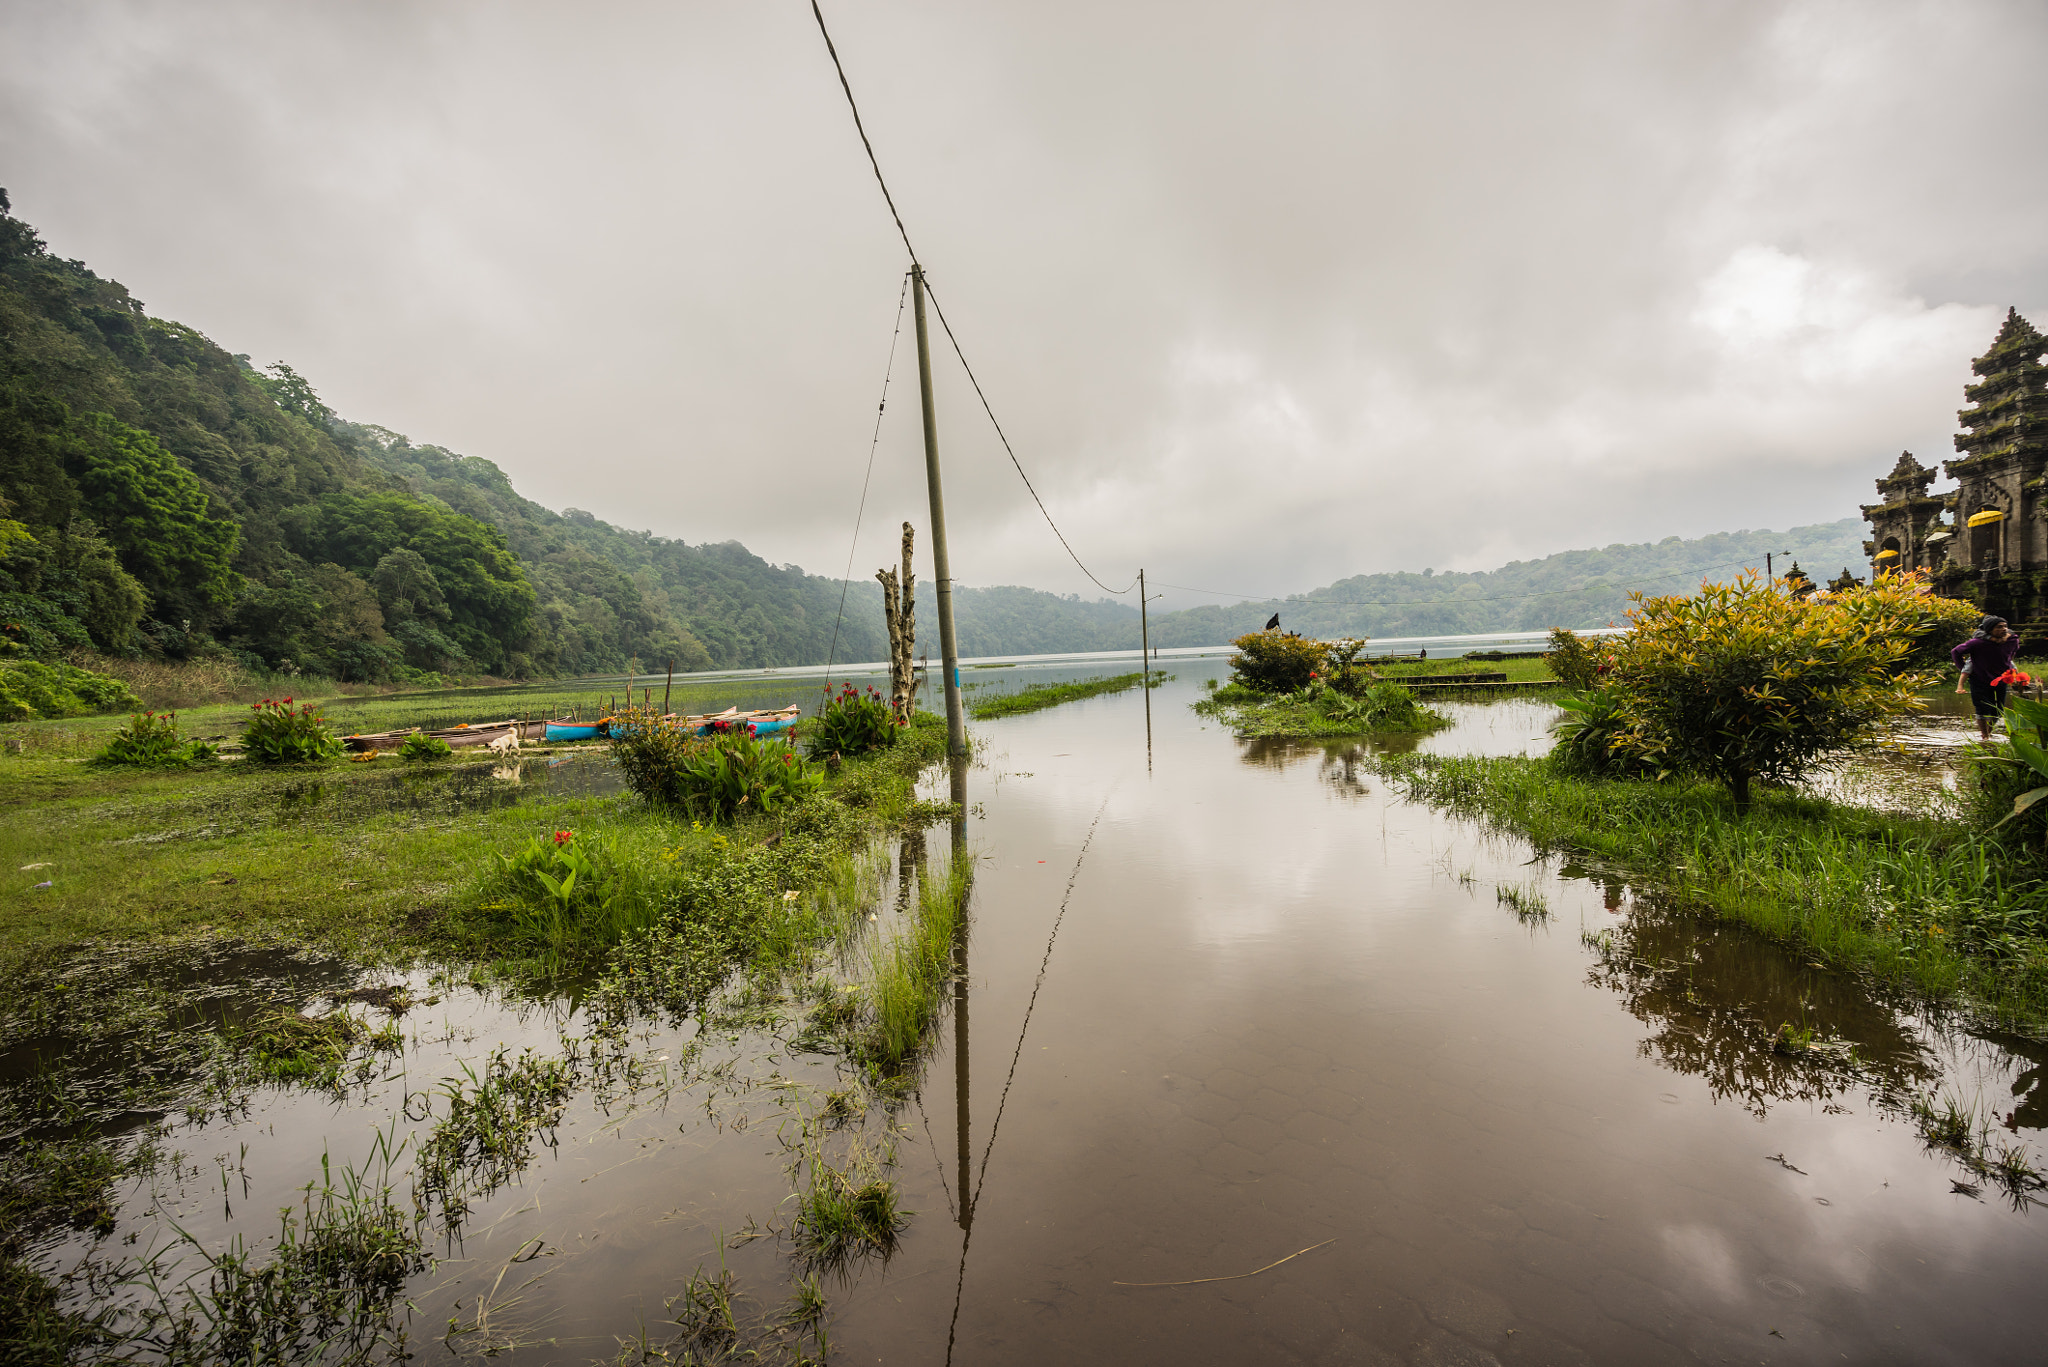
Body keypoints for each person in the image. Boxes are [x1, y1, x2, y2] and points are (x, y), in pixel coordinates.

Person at [1953, 617, 2020, 741]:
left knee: (1999, 709)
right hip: (1979, 678)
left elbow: (2012, 653)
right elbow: (1956, 652)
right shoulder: (1977, 643)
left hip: (2001, 678)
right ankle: (1985, 736)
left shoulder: (2012, 641)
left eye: (2005, 626)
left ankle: (1989, 733)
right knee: (1982, 708)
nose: (2003, 629)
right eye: (1999, 627)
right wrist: (1964, 668)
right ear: (1989, 630)